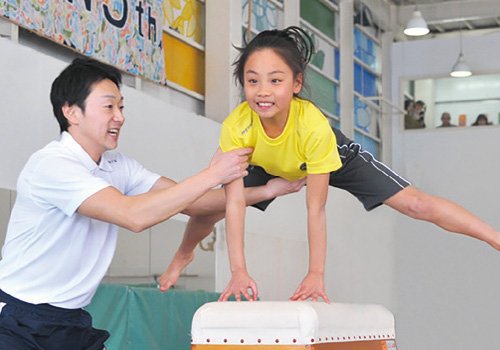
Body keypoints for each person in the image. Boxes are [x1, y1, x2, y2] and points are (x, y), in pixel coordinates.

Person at [165, 26, 499, 304]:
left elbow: (316, 208)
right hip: (265, 159)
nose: (262, 92)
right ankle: (184, 253)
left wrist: (316, 274)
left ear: (296, 84)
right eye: (253, 81)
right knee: (209, 206)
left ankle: (493, 237)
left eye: (275, 81)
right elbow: (235, 202)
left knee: (415, 203)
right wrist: (238, 270)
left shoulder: (312, 125)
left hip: (327, 154)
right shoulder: (237, 125)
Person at [0, 58, 304, 349]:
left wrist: (268, 190)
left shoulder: (118, 165)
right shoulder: (53, 165)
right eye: (108, 106)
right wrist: (213, 174)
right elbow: (133, 216)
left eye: (121, 106)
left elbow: (195, 204)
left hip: (71, 320)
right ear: (71, 112)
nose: (119, 116)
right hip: (17, 320)